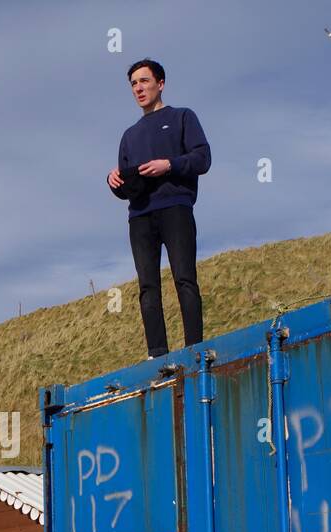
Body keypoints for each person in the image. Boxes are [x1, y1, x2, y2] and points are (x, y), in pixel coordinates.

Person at [107, 58, 211, 357]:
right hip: (139, 216)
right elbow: (129, 190)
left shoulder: (182, 117)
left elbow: (203, 159)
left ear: (160, 83)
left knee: (184, 277)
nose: (138, 88)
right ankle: (157, 353)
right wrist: (113, 180)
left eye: (144, 81)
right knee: (147, 286)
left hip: (176, 207)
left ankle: (194, 348)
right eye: (134, 84)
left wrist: (170, 165)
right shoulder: (129, 135)